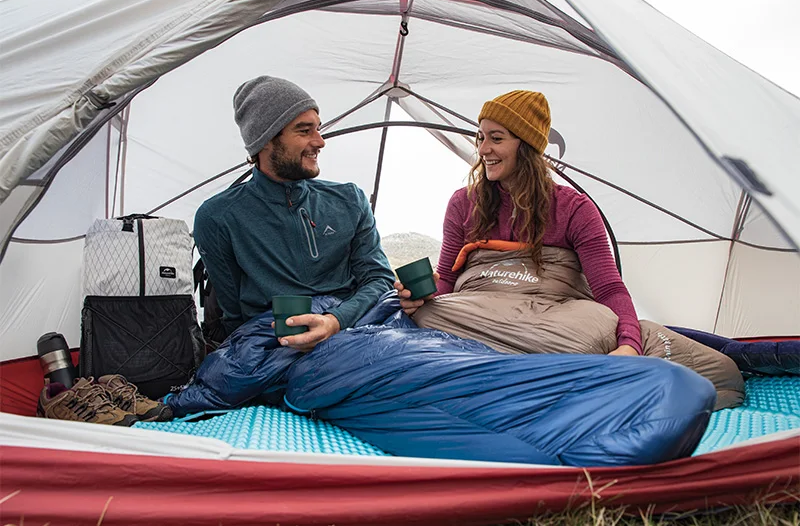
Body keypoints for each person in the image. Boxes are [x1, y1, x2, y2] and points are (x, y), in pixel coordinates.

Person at [396, 90, 744, 410]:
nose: (483, 149)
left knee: (719, 372)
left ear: (526, 146)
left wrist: (628, 345)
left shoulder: (573, 208)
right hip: (483, 311)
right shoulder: (464, 204)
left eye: (496, 138)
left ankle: (542, 371)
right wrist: (419, 298)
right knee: (424, 315)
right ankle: (572, 376)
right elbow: (447, 281)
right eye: (480, 137)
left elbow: (609, 289)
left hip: (557, 319)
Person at [194, 75, 395, 351]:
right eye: (304, 131)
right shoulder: (219, 217)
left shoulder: (349, 200)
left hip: (357, 329)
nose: (320, 141)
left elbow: (378, 279)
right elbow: (234, 314)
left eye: (318, 129)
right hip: (275, 341)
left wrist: (335, 320)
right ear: (265, 140)